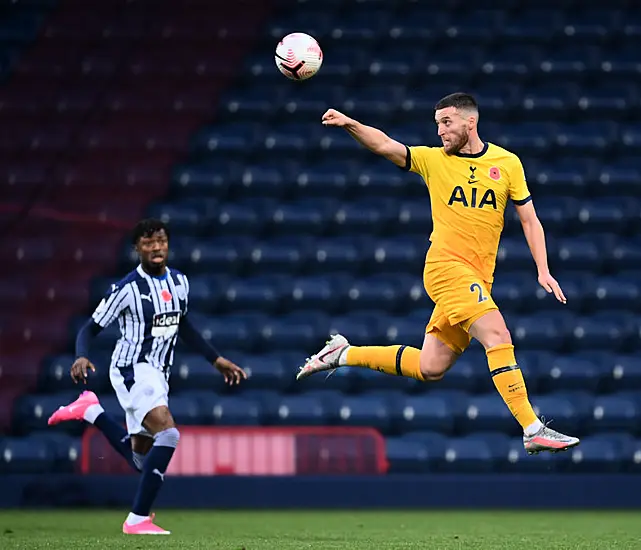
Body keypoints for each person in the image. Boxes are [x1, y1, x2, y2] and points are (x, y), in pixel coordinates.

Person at [297, 93, 580, 454]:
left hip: (478, 278)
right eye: (437, 124)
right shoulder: (433, 160)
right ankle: (532, 427)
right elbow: (385, 145)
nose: (440, 131)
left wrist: (543, 269)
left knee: (431, 366)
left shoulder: (507, 163)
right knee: (497, 333)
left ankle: (343, 354)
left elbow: (529, 218)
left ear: (470, 122)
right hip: (446, 268)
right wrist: (351, 124)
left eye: (446, 123)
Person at [47, 218, 247, 535]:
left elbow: (183, 325)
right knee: (169, 434)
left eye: (161, 241)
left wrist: (215, 359)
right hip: (132, 370)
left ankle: (90, 410)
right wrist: (81, 356)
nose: (156, 247)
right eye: (148, 242)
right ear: (137, 248)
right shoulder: (126, 289)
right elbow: (89, 328)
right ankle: (137, 518)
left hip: (159, 374)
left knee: (142, 460)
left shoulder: (180, 282)